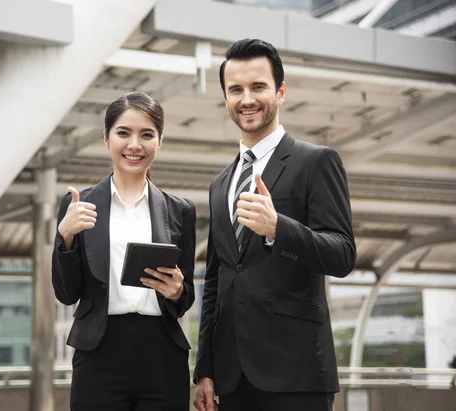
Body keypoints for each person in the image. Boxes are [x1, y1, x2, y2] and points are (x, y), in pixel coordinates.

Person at [193, 39, 356, 411]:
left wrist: (277, 228)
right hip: (232, 378)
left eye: (258, 87)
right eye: (235, 90)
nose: (246, 98)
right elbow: (216, 281)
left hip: (296, 371)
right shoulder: (220, 184)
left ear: (280, 92)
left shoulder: (317, 162)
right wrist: (205, 369)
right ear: (225, 98)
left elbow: (343, 254)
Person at [52, 91, 196, 411]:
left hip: (162, 353)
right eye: (123, 133)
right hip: (99, 350)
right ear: (106, 139)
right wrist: (65, 238)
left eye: (147, 134)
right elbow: (66, 293)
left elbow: (186, 297)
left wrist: (176, 292)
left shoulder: (179, 210)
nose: (135, 145)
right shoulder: (80, 205)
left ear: (160, 142)